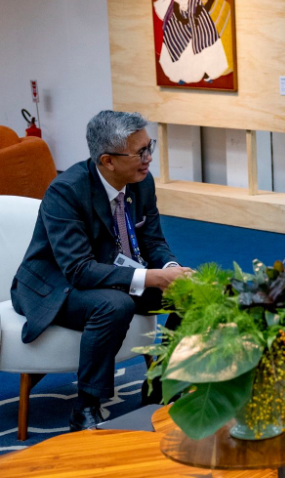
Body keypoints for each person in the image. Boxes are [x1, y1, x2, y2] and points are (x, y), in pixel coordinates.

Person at [11, 110, 193, 431]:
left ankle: (161, 384)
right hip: (56, 285)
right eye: (140, 152)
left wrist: (171, 269)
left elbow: (153, 241)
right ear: (108, 160)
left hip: (115, 274)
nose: (149, 158)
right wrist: (152, 277)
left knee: (195, 293)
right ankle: (86, 407)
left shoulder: (140, 182)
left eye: (149, 146)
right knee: (114, 304)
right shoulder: (66, 192)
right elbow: (78, 270)